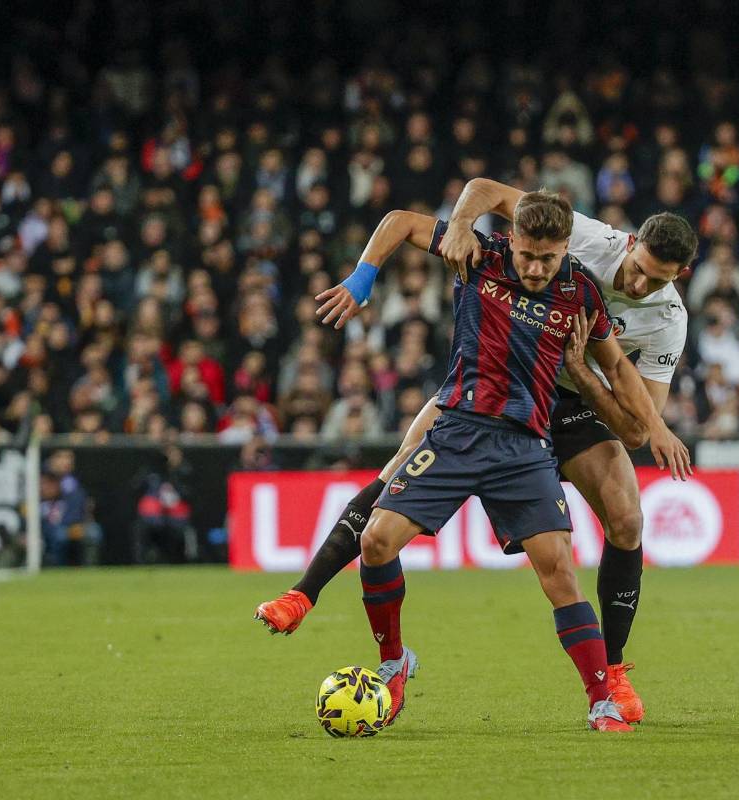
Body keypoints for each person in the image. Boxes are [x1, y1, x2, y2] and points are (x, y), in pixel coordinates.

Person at [256, 179, 696, 725]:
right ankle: (308, 598)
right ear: (629, 244)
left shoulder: (620, 304)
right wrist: (427, 243)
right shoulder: (545, 244)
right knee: (385, 504)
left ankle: (610, 678)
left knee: (621, 523)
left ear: (678, 278)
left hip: (559, 410)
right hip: (467, 413)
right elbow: (463, 196)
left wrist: (650, 421)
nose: (537, 268)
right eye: (639, 269)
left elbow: (625, 394)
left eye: (656, 281)